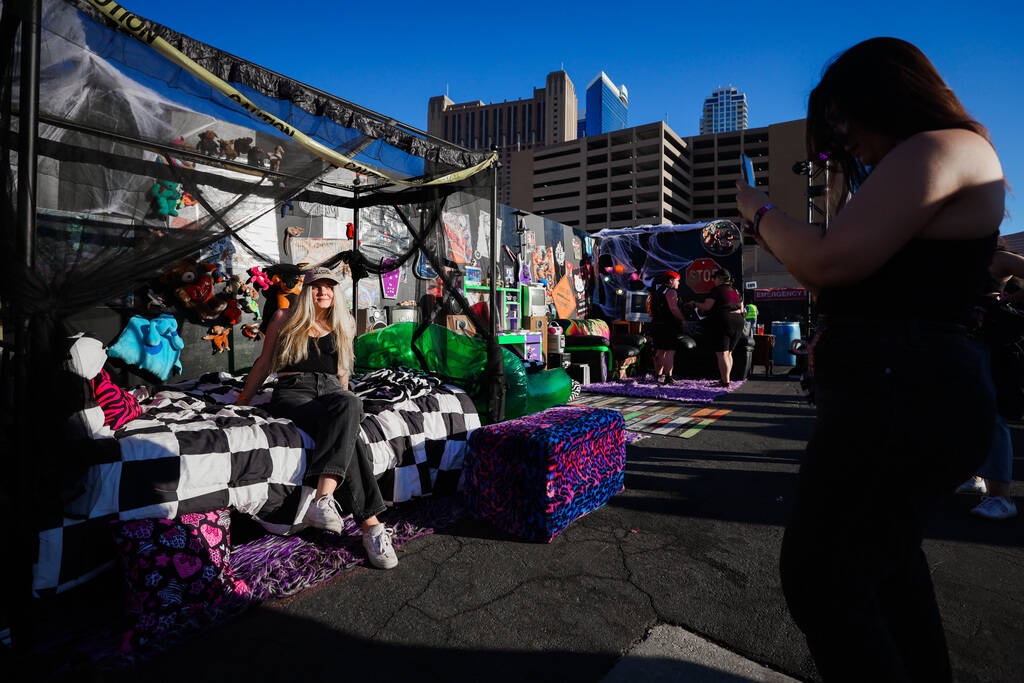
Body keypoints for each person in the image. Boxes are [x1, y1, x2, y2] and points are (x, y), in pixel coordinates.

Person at [735, 38, 1002, 680]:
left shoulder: (944, 148)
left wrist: (759, 210)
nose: (842, 138)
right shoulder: (915, 165)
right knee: (885, 566)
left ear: (884, 95)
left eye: (843, 120)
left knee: (821, 573)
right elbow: (832, 275)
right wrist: (833, 180)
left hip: (906, 392)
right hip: (899, 389)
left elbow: (827, 259)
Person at [235, 266, 398, 570]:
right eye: (316, 286)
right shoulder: (284, 319)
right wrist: (243, 399)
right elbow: (264, 361)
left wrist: (347, 409)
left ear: (336, 292)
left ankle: (323, 501)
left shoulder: (343, 323)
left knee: (349, 407)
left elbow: (343, 374)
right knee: (350, 436)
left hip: (333, 392)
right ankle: (372, 527)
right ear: (306, 291)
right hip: (294, 392)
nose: (323, 291)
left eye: (329, 286)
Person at [955, 242, 1024, 519]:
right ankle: (976, 476)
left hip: (988, 343)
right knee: (967, 413)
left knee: (990, 415)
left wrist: (1011, 300)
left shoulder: (997, 258)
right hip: (965, 341)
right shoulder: (966, 258)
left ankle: (1001, 497)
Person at [690, 269, 745, 386]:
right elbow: (741, 308)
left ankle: (725, 382)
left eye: (714, 278)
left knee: (722, 354)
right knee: (729, 353)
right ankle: (726, 379)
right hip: (739, 321)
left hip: (725, 320)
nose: (713, 281)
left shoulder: (716, 290)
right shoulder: (735, 290)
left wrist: (694, 304)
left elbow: (707, 306)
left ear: (719, 278)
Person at [646, 270, 687, 384]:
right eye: (677, 281)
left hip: (657, 324)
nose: (679, 283)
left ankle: (658, 376)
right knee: (670, 351)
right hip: (668, 325)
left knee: (659, 351)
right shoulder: (671, 291)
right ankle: (669, 377)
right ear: (671, 280)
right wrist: (682, 319)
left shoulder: (657, 291)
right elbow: (673, 308)